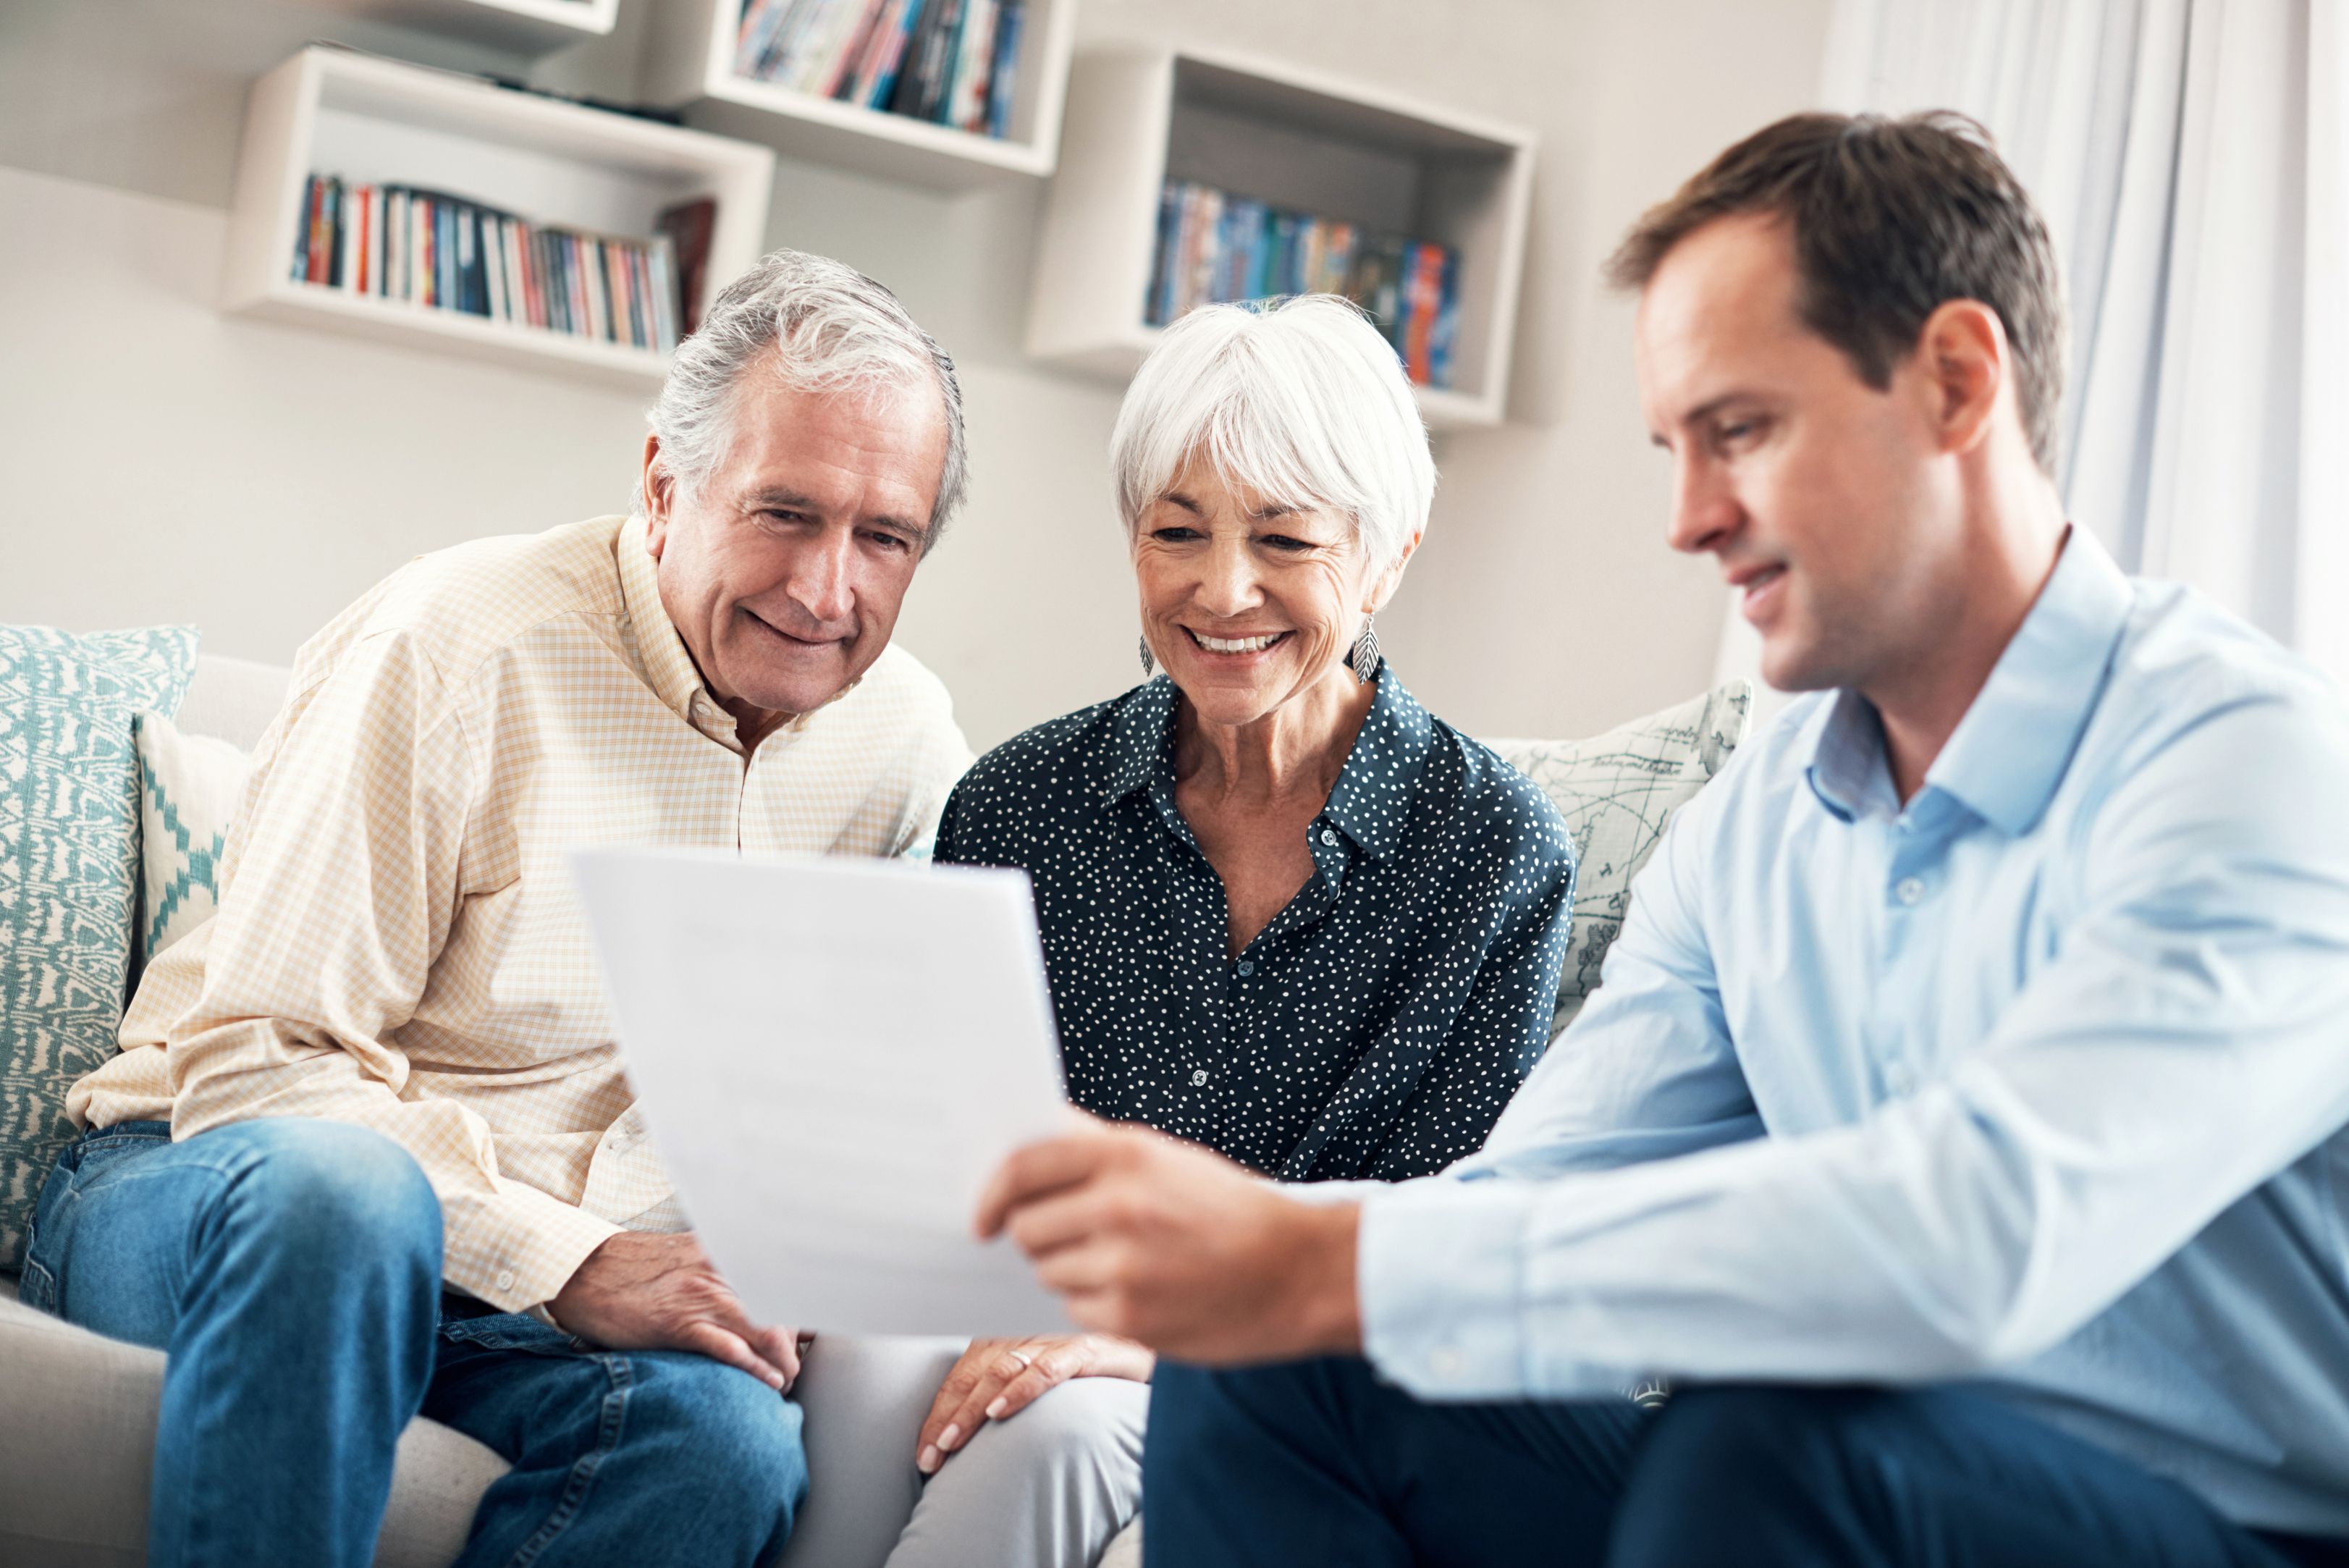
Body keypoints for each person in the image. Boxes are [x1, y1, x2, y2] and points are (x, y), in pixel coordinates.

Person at [976, 112, 2349, 1567]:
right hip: (1838, 1483)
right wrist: (1273, 1284)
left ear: (1956, 381)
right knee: (1283, 1361)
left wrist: (1320, 1249)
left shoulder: (2243, 768)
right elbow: (1538, 1193)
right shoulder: (1756, 827)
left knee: (1773, 1439)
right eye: (1673, 449)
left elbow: (1976, 1241)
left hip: (2221, 1529)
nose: (1690, 519)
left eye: (1741, 432)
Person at [24, 250, 976, 1568]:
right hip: (224, 1194)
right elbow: (252, 1071)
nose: (828, 590)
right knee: (353, 1199)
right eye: (785, 513)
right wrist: (574, 1261)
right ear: (662, 482)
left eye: (885, 537)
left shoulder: (905, 743)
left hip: (529, 1309)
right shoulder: (456, 642)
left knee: (729, 1448)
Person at [890, 295, 1576, 1568]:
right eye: (1176, 531)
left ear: (1386, 555)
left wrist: (1160, 1332)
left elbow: (1444, 1241)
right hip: (999, 1306)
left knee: (1057, 1430)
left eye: (1283, 538)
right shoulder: (1018, 802)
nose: (1222, 589)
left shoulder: (1491, 851)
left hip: (1288, 1361)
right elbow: (942, 1156)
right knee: (855, 1380)